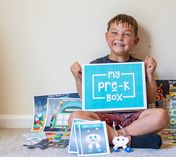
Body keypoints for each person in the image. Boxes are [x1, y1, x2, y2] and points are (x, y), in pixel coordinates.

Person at [69, 14, 169, 149]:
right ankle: (128, 140)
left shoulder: (140, 66)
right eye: (114, 32)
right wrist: (78, 78)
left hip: (133, 118)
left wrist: (150, 74)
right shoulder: (95, 65)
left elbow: (150, 99)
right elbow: (87, 100)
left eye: (126, 34)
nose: (120, 38)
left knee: (162, 115)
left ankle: (111, 137)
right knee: (74, 118)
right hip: (102, 117)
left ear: (135, 41)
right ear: (107, 37)